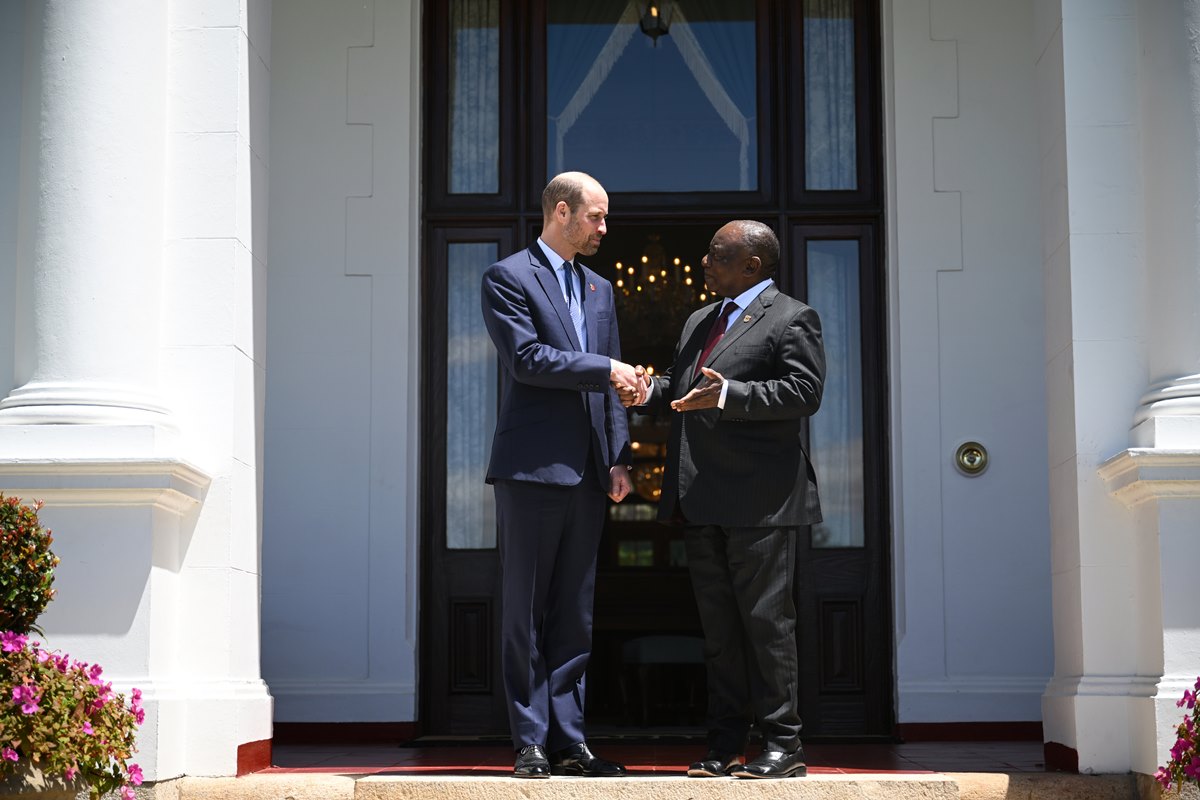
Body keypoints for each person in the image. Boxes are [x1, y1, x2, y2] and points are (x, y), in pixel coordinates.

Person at [618, 220, 826, 779]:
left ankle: (784, 746)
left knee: (766, 627)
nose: (704, 262)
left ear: (751, 266)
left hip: (761, 502)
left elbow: (805, 391)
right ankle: (724, 744)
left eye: (715, 255)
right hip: (701, 500)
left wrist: (731, 393)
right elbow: (685, 389)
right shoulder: (698, 320)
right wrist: (650, 390)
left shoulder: (792, 317)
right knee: (720, 635)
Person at [480, 171, 645, 779]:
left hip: (589, 474)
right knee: (524, 610)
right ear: (560, 211)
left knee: (575, 612)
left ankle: (571, 744)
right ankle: (529, 742)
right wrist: (608, 366)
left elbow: (612, 388)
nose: (604, 228)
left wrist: (619, 455)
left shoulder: (601, 288)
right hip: (532, 468)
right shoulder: (508, 276)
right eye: (596, 217)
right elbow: (527, 361)